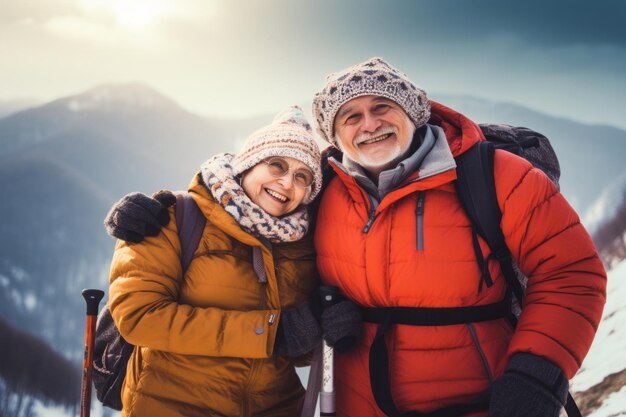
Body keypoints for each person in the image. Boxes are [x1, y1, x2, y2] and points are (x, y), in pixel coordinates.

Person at [105, 58, 607, 417]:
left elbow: (572, 273)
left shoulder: (496, 176)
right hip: (357, 402)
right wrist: (152, 209)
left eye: (382, 106)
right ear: (337, 134)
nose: (369, 124)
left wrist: (537, 372)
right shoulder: (324, 191)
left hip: (479, 397)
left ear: (413, 113)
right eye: (350, 116)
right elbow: (246, 202)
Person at [105, 106, 331, 417]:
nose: (287, 183)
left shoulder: (301, 246)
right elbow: (139, 317)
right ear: (248, 165)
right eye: (276, 165)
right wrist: (268, 333)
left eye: (301, 176)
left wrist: (316, 327)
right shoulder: (174, 216)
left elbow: (291, 349)